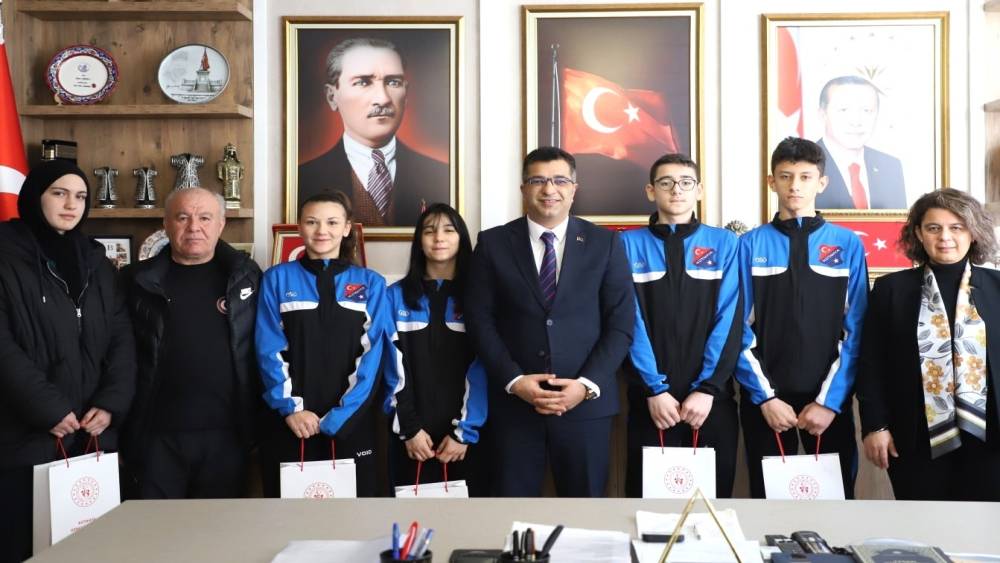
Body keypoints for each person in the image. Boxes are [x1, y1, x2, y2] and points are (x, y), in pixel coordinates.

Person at [464, 146, 634, 497]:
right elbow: (480, 322)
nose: (549, 189)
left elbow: (620, 325)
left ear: (574, 189)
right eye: (538, 180)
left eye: (559, 180)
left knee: (586, 514)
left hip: (585, 408)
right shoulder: (493, 243)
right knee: (511, 514)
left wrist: (584, 385)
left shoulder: (605, 244)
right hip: (514, 408)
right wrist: (515, 381)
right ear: (523, 188)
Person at [0, 160, 135, 562]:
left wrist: (110, 403)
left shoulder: (96, 262)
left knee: (92, 551)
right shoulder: (5, 256)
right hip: (26, 438)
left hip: (91, 437)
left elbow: (121, 338)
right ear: (34, 197)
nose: (70, 205)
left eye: (80, 196)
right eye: (59, 194)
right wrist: (49, 409)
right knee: (25, 548)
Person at [735, 137, 869, 498]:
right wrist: (765, 398)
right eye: (786, 176)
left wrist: (828, 402)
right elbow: (736, 330)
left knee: (834, 505)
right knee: (769, 505)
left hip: (827, 405)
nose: (795, 185)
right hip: (766, 403)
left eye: (805, 177)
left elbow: (856, 331)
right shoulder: (749, 245)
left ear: (821, 183)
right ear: (771, 182)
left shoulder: (847, 244)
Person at [857, 188, 1000, 501]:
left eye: (956, 227)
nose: (945, 237)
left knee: (987, 527)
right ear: (919, 234)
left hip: (990, 439)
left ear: (973, 233)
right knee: (922, 525)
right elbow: (871, 364)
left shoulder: (997, 287)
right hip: (914, 439)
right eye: (934, 228)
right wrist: (875, 426)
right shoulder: (891, 289)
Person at [121, 187, 262, 499]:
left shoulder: (248, 277)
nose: (194, 227)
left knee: (220, 526)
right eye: (182, 217)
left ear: (221, 224)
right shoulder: (135, 281)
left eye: (205, 218)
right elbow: (118, 353)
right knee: (154, 526)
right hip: (156, 434)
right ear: (166, 224)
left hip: (228, 435)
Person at [620, 154, 742, 498]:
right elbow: (628, 321)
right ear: (651, 191)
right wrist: (654, 390)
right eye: (666, 182)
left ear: (699, 190)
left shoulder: (725, 244)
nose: (676, 190)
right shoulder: (626, 245)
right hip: (652, 404)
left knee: (711, 508)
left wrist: (707, 388)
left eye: (686, 182)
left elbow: (730, 318)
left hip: (711, 402)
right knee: (648, 508)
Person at [256, 191, 389, 497]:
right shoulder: (276, 279)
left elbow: (372, 356)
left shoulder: (371, 283)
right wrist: (291, 410)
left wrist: (341, 416)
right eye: (312, 222)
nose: (321, 231)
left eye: (332, 222)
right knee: (288, 517)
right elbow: (267, 351)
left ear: (346, 228)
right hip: (290, 424)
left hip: (352, 424)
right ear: (299, 227)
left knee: (355, 518)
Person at [382, 203, 488, 491]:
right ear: (419, 241)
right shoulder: (393, 297)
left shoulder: (479, 297)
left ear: (462, 239)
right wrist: (409, 429)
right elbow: (390, 368)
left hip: (465, 439)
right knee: (409, 516)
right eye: (429, 231)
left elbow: (484, 368)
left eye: (448, 230)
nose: (439, 237)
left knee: (469, 518)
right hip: (410, 438)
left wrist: (464, 431)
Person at [298, 37, 450, 227]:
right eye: (363, 82)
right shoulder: (303, 180)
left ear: (406, 94)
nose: (383, 98)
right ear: (331, 96)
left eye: (393, 82)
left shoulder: (443, 174)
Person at [815, 75, 906, 210]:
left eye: (866, 110)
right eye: (843, 110)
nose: (856, 121)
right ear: (822, 114)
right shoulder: (804, 164)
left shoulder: (890, 166)